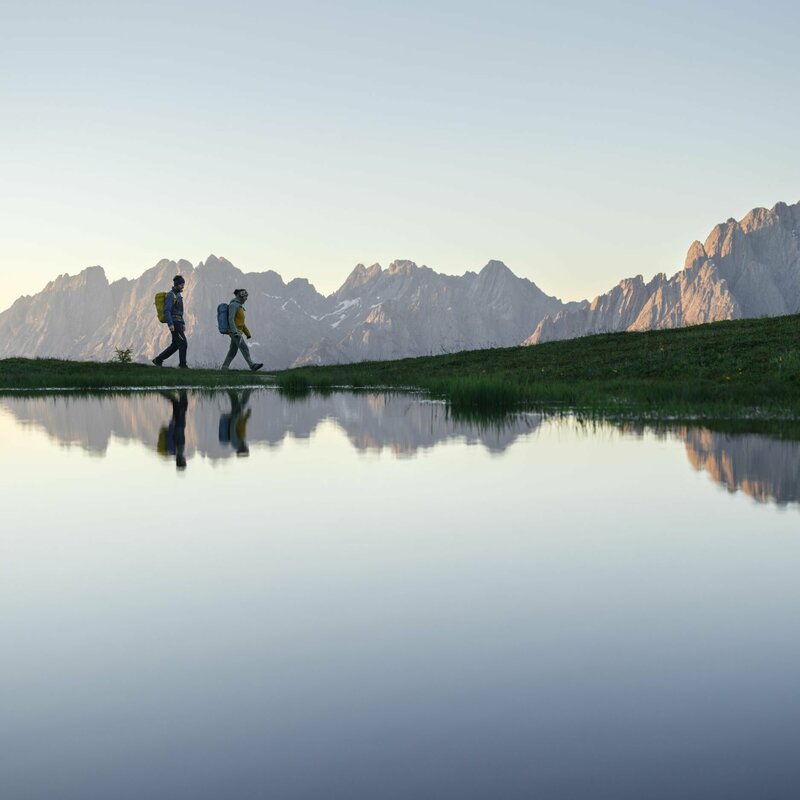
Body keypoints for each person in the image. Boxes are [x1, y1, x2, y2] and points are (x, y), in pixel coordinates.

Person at [222, 289, 263, 371]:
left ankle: (224, 368)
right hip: (235, 332)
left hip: (237, 332)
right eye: (245, 296)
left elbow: (241, 323)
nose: (246, 298)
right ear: (240, 296)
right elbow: (231, 319)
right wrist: (234, 332)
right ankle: (252, 366)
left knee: (232, 352)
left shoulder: (239, 306)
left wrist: (247, 333)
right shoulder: (233, 305)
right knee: (244, 348)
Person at [153, 275, 189, 368]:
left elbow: (180, 311)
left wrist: (183, 323)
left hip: (179, 323)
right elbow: (167, 310)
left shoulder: (178, 296)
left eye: (183, 284)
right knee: (183, 343)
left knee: (175, 345)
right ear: (176, 285)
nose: (183, 286)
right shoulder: (170, 295)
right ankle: (183, 365)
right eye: (181, 284)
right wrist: (170, 324)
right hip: (174, 323)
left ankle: (158, 359)